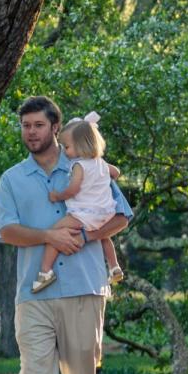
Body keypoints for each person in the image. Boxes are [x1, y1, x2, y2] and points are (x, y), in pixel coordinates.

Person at [0, 95, 132, 374]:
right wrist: (50, 237)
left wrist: (86, 237)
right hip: (34, 293)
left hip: (85, 288)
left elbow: (122, 216)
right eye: (25, 126)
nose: (31, 132)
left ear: (56, 128)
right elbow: (6, 231)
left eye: (38, 125)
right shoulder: (12, 179)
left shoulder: (89, 166)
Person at [32, 112, 124, 293]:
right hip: (105, 212)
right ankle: (114, 267)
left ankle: (45, 272)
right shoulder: (101, 163)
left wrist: (57, 196)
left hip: (84, 213)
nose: (65, 151)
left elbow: (73, 189)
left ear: (81, 146)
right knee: (104, 237)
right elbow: (116, 173)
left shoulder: (78, 166)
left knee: (54, 233)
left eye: (67, 146)